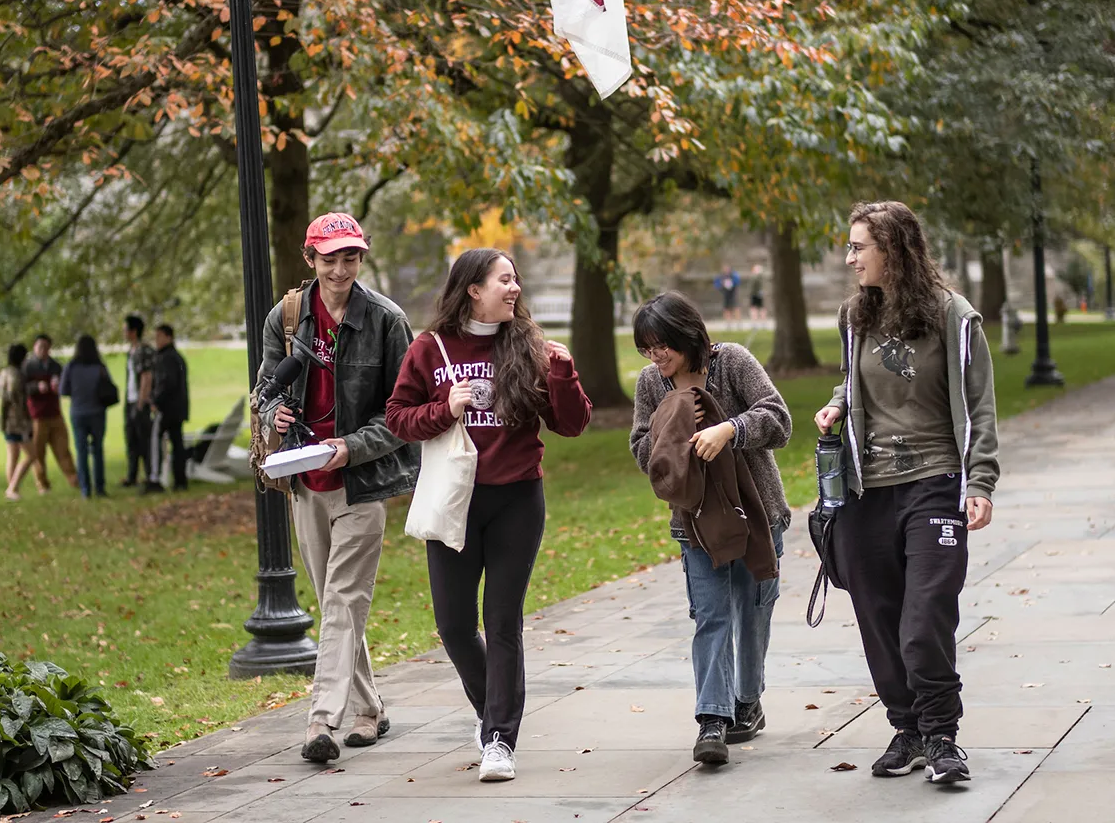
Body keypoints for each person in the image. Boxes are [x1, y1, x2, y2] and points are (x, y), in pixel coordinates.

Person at [387, 248, 592, 784]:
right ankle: (491, 713)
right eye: (505, 279)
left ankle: (501, 737)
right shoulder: (430, 349)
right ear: (473, 288)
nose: (515, 287)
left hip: (517, 500)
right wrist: (445, 408)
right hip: (455, 499)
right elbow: (398, 419)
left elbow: (571, 426)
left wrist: (565, 373)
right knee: (454, 626)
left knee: (502, 622)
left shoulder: (529, 346)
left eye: (516, 279)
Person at [814, 200, 998, 786]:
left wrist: (981, 481)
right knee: (878, 617)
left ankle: (943, 735)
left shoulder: (953, 316)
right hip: (869, 490)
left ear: (892, 250)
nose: (849, 259)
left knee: (924, 619)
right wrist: (839, 403)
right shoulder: (854, 316)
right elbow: (854, 375)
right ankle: (908, 729)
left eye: (858, 247)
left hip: (935, 482)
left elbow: (979, 406)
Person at [256, 212, 420, 764]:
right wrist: (276, 415)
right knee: (337, 603)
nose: (341, 267)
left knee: (342, 598)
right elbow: (265, 388)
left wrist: (352, 446)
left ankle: (320, 722)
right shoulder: (286, 316)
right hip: (305, 480)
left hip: (363, 480)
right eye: (330, 257)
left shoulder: (386, 320)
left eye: (350, 256)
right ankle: (370, 709)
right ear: (311, 260)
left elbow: (403, 411)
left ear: (361, 257)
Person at [628, 291, 791, 766]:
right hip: (695, 520)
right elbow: (642, 448)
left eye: (662, 346)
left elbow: (778, 420)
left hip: (756, 511)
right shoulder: (649, 384)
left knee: (752, 611)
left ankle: (748, 699)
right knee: (711, 614)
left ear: (686, 335)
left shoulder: (732, 361)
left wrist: (729, 430)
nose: (656, 357)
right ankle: (712, 720)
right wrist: (672, 431)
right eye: (647, 349)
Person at [22, 334, 79, 494]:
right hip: (37, 416)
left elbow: (65, 385)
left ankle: (74, 479)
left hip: (55, 413)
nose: (43, 350)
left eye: (46, 347)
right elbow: (23, 389)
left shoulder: (56, 366)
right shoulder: (28, 366)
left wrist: (57, 387)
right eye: (40, 347)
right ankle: (42, 484)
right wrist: (36, 387)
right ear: (34, 347)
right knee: (38, 453)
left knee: (63, 449)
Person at [60, 335, 114, 499]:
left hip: (78, 412)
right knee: (97, 450)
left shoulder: (71, 367)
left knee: (81, 451)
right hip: (97, 412)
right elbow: (108, 388)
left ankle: (85, 489)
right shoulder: (99, 367)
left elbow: (63, 390)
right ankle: (100, 487)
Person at [147, 324, 189, 492]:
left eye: (158, 337)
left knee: (155, 440)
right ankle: (180, 480)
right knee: (177, 443)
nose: (156, 341)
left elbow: (166, 383)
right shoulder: (176, 357)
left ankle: (155, 478)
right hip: (177, 409)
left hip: (167, 409)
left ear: (168, 337)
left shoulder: (166, 358)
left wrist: (155, 401)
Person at [122, 315, 157, 486]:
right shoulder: (131, 351)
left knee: (144, 439)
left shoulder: (144, 350)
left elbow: (146, 377)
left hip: (139, 401)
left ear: (133, 331)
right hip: (129, 400)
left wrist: (141, 402)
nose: (124, 332)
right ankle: (132, 475)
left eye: (125, 329)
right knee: (131, 439)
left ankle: (150, 475)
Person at [0, 343, 33, 501]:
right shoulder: (17, 375)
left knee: (12, 455)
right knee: (31, 455)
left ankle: (12, 490)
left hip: (7, 421)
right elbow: (17, 400)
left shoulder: (3, 373)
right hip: (18, 422)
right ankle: (12, 488)